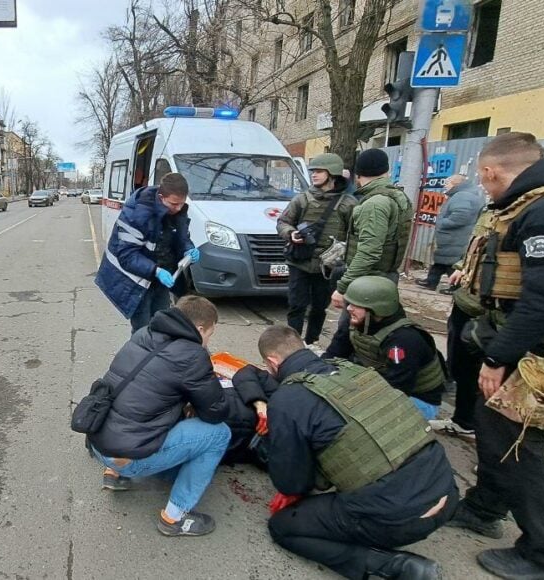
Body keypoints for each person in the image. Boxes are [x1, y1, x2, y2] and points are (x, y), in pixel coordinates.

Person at [445, 132, 544, 580]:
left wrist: (498, 358)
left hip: (536, 354)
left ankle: (543, 555)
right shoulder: (537, 205)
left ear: (491, 171)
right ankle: (484, 508)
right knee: (493, 431)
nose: (485, 190)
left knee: (517, 443)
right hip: (520, 345)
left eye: (485, 181)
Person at [259, 325, 458, 580]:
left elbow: (292, 483)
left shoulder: (286, 399)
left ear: (272, 363)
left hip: (400, 518)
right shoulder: (355, 370)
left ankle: (391, 566)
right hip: (446, 491)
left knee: (283, 526)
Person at [88, 296, 232, 536]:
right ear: (199, 329)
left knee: (142, 400)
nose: (208, 341)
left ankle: (113, 474)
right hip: (128, 456)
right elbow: (216, 412)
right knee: (219, 434)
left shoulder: (144, 333)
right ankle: (174, 518)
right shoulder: (192, 355)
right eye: (209, 334)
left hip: (100, 442)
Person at [326, 149, 414, 357]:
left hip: (367, 283)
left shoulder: (374, 203)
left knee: (350, 334)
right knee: (376, 331)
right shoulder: (398, 196)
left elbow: (369, 251)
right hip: (384, 277)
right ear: (386, 171)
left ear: (358, 174)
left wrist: (343, 286)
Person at [324, 276, 447, 420]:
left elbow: (397, 388)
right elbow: (332, 356)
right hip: (380, 383)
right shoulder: (356, 322)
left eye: (356, 305)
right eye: (349, 303)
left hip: (417, 399)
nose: (349, 308)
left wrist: (351, 396)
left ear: (377, 309)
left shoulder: (404, 339)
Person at [95, 173, 200, 333]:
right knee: (143, 331)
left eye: (181, 203)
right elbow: (127, 255)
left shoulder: (176, 210)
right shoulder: (137, 214)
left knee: (162, 325)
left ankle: (157, 356)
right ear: (161, 197)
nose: (178, 208)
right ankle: (140, 357)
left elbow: (181, 237)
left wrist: (188, 249)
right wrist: (155, 271)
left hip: (162, 277)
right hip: (136, 279)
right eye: (174, 204)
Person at [277, 153, 356, 346]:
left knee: (320, 307)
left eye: (319, 171)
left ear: (333, 174)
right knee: (296, 306)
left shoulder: (348, 204)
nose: (314, 175)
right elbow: (283, 222)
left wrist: (345, 255)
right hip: (300, 261)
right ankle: (293, 345)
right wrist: (291, 233)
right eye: (313, 171)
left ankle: (312, 342)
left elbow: (354, 235)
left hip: (327, 265)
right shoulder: (302, 199)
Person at [429, 207, 493, 438]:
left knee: (492, 378)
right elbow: (477, 249)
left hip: (494, 312)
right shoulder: (493, 211)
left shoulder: (534, 213)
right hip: (467, 301)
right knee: (461, 367)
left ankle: (497, 452)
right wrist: (461, 267)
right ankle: (464, 421)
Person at [417, 175, 485, 292]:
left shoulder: (462, 195)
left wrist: (442, 223)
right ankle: (431, 281)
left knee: (451, 263)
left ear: (455, 184)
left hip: (455, 237)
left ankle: (455, 287)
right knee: (441, 261)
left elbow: (461, 216)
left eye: (447, 183)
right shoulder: (467, 194)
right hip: (454, 237)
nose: (445, 186)